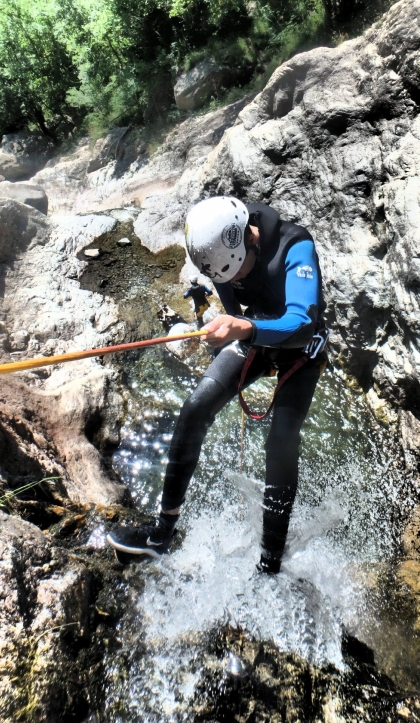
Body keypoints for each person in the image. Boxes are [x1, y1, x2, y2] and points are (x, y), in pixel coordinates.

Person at [107, 196, 327, 573]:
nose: (234, 281)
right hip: (255, 335)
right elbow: (234, 308)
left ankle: (270, 562)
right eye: (226, 277)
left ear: (250, 240)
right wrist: (231, 331)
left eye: (237, 272)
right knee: (196, 407)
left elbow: (302, 322)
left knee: (281, 439)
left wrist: (246, 328)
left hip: (301, 348)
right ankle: (161, 534)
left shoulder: (295, 246)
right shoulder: (220, 257)